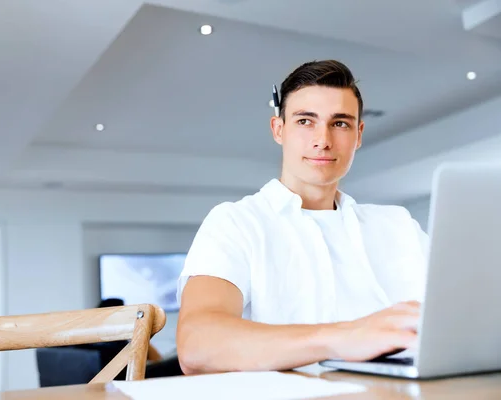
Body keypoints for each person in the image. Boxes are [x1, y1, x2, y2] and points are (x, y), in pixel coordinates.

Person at [175, 60, 428, 375]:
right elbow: (198, 346)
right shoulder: (236, 222)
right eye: (306, 121)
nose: (322, 139)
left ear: (358, 134)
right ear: (278, 129)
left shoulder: (399, 225)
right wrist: (343, 337)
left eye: (340, 123)